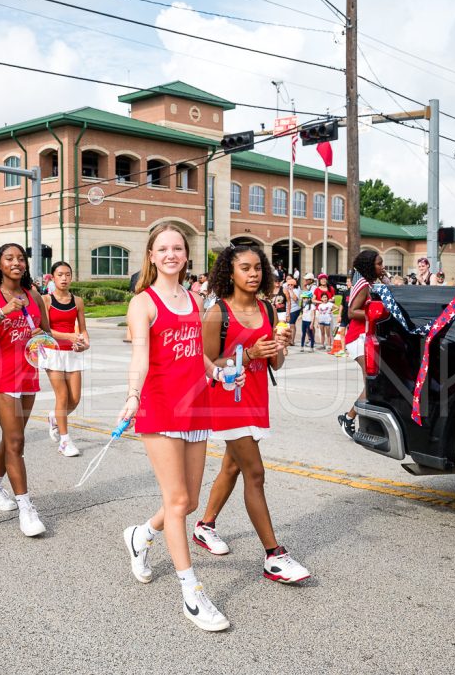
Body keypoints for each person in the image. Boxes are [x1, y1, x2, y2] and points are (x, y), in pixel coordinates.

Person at [119, 222, 239, 633]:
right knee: (177, 502)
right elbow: (139, 356)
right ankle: (192, 592)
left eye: (178, 248)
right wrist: (133, 395)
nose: (171, 254)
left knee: (186, 502)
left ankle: (140, 535)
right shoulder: (143, 303)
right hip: (160, 407)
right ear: (151, 256)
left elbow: (194, 355)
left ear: (186, 255)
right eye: (162, 248)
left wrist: (218, 374)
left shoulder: (195, 298)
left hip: (196, 407)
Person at [193, 244, 310, 583]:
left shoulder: (268, 310)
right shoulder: (217, 312)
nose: (253, 273)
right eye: (245, 267)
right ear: (229, 272)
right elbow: (206, 365)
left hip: (256, 398)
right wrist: (247, 356)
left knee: (232, 465)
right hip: (226, 399)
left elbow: (275, 362)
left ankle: (205, 525)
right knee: (254, 473)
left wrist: (280, 345)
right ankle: (274, 555)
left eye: (258, 267)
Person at [0, 243, 51, 537]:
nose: (16, 262)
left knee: (11, 436)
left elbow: (47, 333)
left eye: (20, 258)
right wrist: (2, 312)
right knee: (16, 441)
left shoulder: (35, 297)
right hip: (0, 379)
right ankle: (26, 508)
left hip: (28, 376)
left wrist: (68, 340)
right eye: (9, 258)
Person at [41, 261, 88, 458]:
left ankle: (54, 417)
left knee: (74, 399)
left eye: (67, 274)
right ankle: (65, 441)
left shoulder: (77, 301)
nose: (64, 278)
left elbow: (83, 329)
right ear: (53, 277)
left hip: (72, 353)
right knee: (62, 397)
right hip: (52, 352)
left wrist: (84, 342)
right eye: (60, 274)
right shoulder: (46, 300)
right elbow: (44, 329)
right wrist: (69, 336)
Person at [338, 250, 386, 437]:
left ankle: (365, 421)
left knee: (374, 383)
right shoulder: (364, 284)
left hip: (364, 338)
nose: (382, 267)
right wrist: (377, 314)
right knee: (372, 384)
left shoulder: (369, 283)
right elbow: (351, 312)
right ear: (369, 266)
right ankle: (348, 419)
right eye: (379, 264)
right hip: (358, 338)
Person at [299, 285, 315, 352]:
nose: (304, 299)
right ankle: (302, 346)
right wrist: (301, 316)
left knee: (310, 334)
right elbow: (303, 312)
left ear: (309, 298)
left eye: (305, 298)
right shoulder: (304, 305)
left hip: (309, 321)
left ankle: (311, 347)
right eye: (303, 298)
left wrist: (312, 323)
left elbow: (313, 315)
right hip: (304, 321)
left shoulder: (312, 306)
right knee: (303, 333)